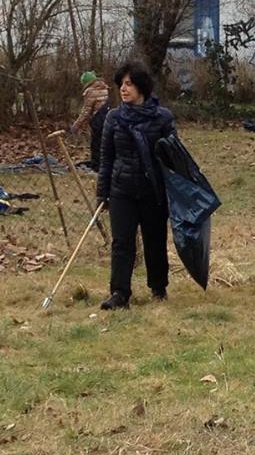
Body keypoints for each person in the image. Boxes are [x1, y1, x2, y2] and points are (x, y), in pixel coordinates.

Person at [95, 61, 176, 310]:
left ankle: (158, 287)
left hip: (153, 190)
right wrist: (102, 194)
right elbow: (106, 158)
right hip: (122, 190)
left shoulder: (162, 118)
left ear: (142, 87)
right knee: (122, 242)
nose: (123, 89)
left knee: (155, 239)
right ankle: (119, 293)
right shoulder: (113, 118)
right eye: (121, 84)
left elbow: (174, 156)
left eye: (129, 84)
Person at [70, 70, 111, 172]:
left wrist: (76, 125)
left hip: (98, 120)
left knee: (95, 144)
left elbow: (86, 111)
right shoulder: (104, 88)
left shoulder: (90, 91)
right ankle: (105, 164)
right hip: (108, 117)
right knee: (104, 143)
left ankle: (97, 167)